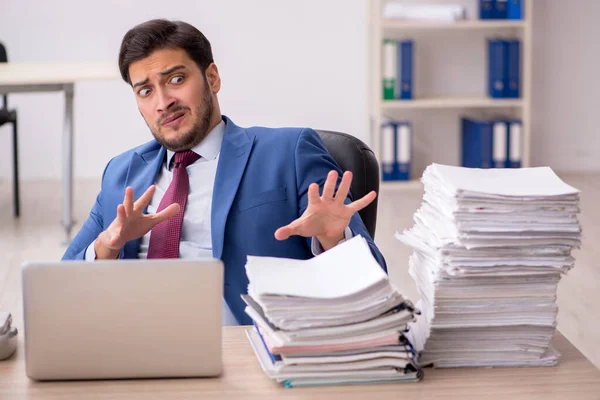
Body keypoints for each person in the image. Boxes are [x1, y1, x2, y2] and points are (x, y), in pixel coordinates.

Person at [62, 19, 387, 325]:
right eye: (145, 91)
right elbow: (60, 285)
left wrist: (334, 241)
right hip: (138, 346)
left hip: (247, 350)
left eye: (176, 79)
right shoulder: (121, 174)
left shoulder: (289, 152)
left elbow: (374, 280)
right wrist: (108, 245)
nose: (163, 103)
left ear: (212, 78)